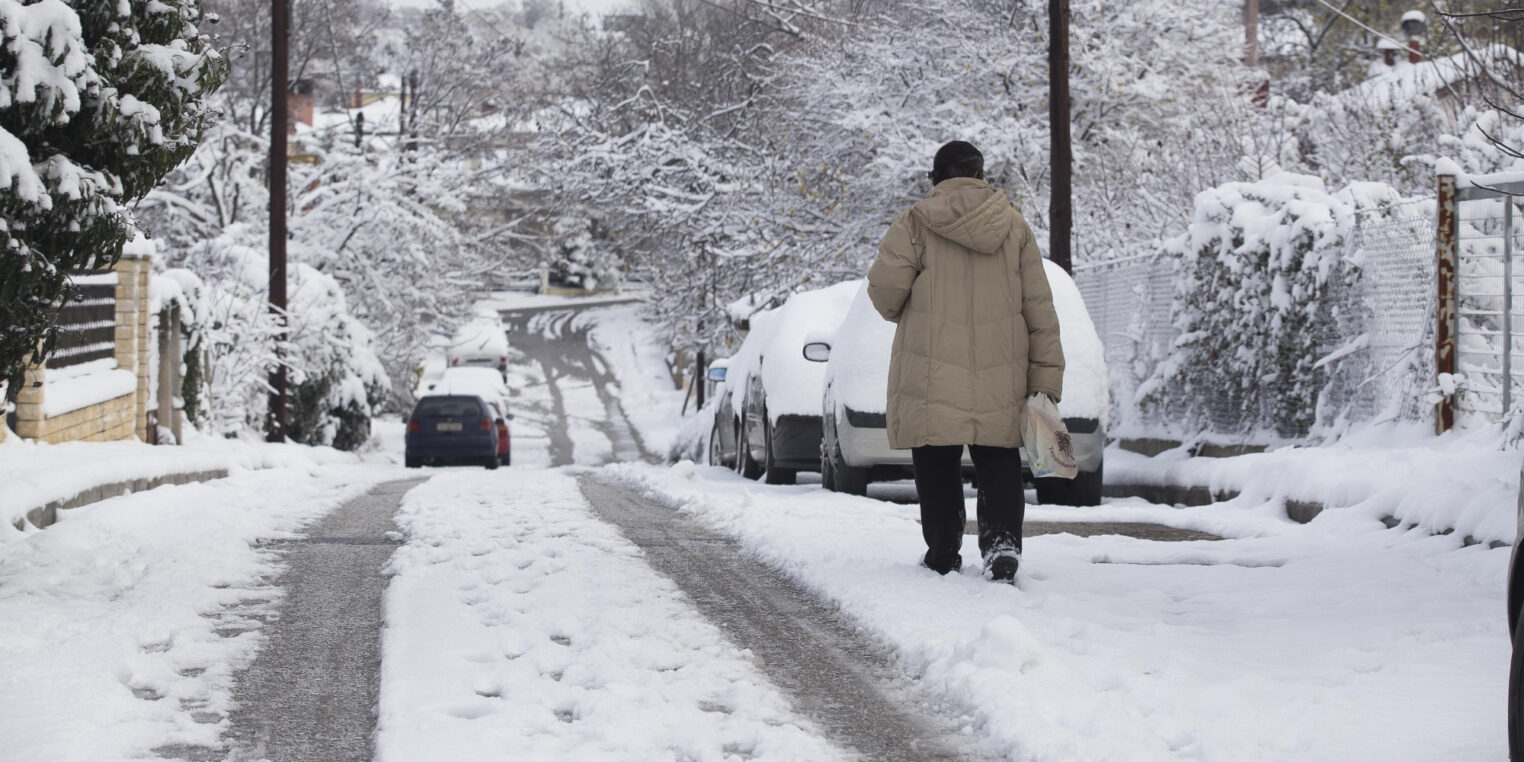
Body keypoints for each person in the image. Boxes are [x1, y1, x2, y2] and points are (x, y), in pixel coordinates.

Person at [866, 140, 1064, 583]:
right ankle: (1002, 547)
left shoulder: (914, 225)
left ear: (936, 178)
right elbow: (1041, 310)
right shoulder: (1015, 228)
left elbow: (884, 294)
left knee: (936, 458)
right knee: (998, 457)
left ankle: (942, 551)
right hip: (1002, 370)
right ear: (980, 175)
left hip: (932, 368)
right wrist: (1047, 378)